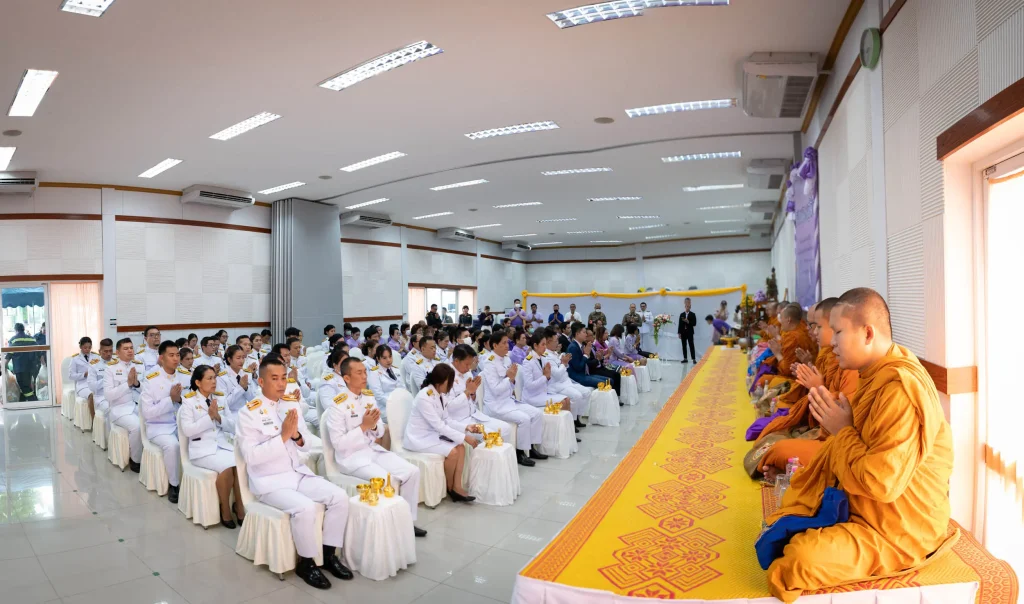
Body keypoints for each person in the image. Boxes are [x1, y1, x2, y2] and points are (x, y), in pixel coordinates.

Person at [763, 288, 954, 602]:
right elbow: (855, 440)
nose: (832, 341)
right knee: (789, 519)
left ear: (867, 333)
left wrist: (841, 432)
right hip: (869, 505)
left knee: (795, 563)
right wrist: (838, 431)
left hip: (900, 528)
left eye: (838, 331)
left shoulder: (899, 390)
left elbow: (881, 482)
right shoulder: (873, 372)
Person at [238, 356, 353, 589]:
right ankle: (307, 563)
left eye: (283, 378)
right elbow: (251, 457)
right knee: (305, 508)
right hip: (269, 481)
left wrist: (296, 436)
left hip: (296, 472)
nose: (281, 383)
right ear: (260, 381)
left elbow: (307, 443)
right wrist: (282, 436)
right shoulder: (248, 413)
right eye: (274, 379)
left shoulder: (291, 404)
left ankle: (328, 555)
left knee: (340, 498)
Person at [323, 357, 426, 535]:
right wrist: (363, 426)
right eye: (359, 373)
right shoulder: (338, 405)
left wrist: (372, 426)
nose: (364, 376)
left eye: (365, 372)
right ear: (346, 378)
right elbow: (339, 444)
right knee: (388, 480)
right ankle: (389, 524)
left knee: (412, 472)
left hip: (371, 450)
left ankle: (407, 520)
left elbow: (378, 432)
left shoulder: (368, 397)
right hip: (351, 458)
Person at [180, 364, 245, 528]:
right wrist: (209, 418)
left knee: (241, 465)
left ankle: (239, 506)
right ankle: (225, 509)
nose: (214, 381)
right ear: (198, 382)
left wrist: (219, 418)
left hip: (222, 445)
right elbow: (188, 431)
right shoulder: (188, 401)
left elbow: (233, 425)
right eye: (209, 378)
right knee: (227, 468)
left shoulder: (221, 398)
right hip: (202, 450)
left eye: (215, 377)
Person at [406, 363, 479, 502]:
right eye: (449, 382)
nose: (450, 386)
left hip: (432, 433)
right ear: (439, 382)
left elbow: (447, 420)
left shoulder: (440, 395)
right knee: (453, 452)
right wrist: (465, 437)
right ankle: (449, 487)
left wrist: (466, 428)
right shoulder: (424, 397)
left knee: (461, 447)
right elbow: (439, 425)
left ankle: (457, 487)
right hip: (419, 438)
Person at [482, 332, 545, 466]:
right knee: (524, 419)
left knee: (537, 414)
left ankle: (531, 448)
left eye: (507, 342)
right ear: (494, 345)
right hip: (496, 405)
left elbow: (512, 384)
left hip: (509, 401)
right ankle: (520, 453)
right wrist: (509, 378)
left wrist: (511, 380)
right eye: (504, 343)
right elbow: (496, 390)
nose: (507, 345)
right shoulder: (489, 363)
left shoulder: (506, 359)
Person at [139, 341, 184, 503]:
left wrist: (180, 400)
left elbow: (191, 401)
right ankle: (174, 484)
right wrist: (170, 400)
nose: (176, 359)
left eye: (178, 355)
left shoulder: (184, 375)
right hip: (159, 427)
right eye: (171, 355)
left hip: (181, 424)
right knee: (172, 445)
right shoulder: (151, 380)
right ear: (161, 358)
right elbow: (148, 413)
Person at [446, 344, 512, 443]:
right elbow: (449, 407)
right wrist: (467, 392)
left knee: (506, 428)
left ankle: (506, 457)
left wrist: (472, 394)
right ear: (456, 361)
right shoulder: (446, 376)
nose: (469, 368)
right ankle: (488, 458)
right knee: (491, 435)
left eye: (470, 364)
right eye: (467, 364)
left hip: (474, 415)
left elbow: (473, 400)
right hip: (459, 421)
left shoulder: (467, 373)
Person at [519, 332, 574, 437]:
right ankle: (556, 435)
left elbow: (548, 378)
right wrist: (545, 377)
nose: (545, 347)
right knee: (563, 402)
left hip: (543, 393)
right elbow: (529, 385)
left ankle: (567, 435)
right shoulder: (528, 361)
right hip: (532, 397)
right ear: (535, 345)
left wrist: (547, 377)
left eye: (545, 344)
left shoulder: (543, 358)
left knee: (567, 399)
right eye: (543, 344)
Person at [104, 338, 144, 472]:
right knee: (137, 427)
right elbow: (108, 395)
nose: (130, 351)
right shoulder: (111, 369)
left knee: (152, 422)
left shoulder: (139, 365)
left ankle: (148, 457)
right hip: (119, 409)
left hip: (138, 406)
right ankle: (135, 460)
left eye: (131, 348)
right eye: (125, 348)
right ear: (117, 352)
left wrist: (137, 384)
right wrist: (127, 384)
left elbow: (146, 390)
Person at [365, 345, 401, 423]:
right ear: (378, 359)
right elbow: (379, 396)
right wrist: (395, 404)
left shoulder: (396, 370)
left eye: (390, 357)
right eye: (384, 358)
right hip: (384, 408)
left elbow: (403, 388)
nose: (388, 360)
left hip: (399, 404)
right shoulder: (374, 373)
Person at [218, 345, 257, 414]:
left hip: (245, 412)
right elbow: (224, 404)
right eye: (238, 358)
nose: (242, 361)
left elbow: (252, 398)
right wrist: (241, 388)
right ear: (229, 359)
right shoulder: (221, 377)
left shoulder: (245, 373)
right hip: (230, 414)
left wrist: (246, 388)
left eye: (243, 357)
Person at [8, 323, 40, 401]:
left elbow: (9, 353)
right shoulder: (31, 339)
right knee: (27, 385)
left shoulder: (13, 339)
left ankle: (33, 400)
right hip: (32, 366)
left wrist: (4, 364)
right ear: (23, 329)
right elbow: (39, 351)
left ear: (16, 330)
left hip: (20, 367)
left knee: (24, 386)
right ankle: (24, 401)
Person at [70, 337, 100, 413]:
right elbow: (71, 375)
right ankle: (93, 421)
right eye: (85, 347)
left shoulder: (96, 357)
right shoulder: (75, 359)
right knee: (91, 395)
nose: (87, 349)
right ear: (80, 347)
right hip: (83, 385)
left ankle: (102, 419)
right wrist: (84, 374)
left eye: (89, 347)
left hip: (94, 383)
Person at [87, 338, 114, 419]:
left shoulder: (117, 364)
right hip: (102, 398)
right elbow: (92, 386)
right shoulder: (94, 365)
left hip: (116, 396)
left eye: (110, 351)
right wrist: (107, 378)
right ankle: (108, 432)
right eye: (106, 351)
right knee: (111, 410)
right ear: (100, 352)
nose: (109, 354)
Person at [678, 298, 697, 363]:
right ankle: (685, 358)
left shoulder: (693, 314)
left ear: (690, 307)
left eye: (688, 307)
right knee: (684, 345)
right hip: (683, 332)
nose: (687, 307)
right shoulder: (682, 314)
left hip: (690, 332)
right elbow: (680, 324)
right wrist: (679, 333)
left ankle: (694, 359)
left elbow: (694, 324)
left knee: (691, 345)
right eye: (686, 306)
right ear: (685, 306)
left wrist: (688, 321)